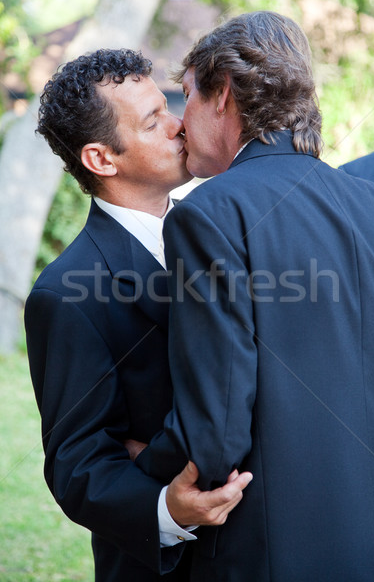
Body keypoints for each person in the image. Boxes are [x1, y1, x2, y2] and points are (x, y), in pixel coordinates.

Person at [132, 12, 374, 581]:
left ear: (222, 93)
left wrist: (142, 463)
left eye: (186, 98)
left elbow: (218, 423)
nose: (181, 124)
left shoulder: (210, 213)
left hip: (271, 548)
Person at [24, 48, 252, 582]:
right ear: (102, 159)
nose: (179, 125)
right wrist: (167, 510)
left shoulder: (225, 231)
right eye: (154, 121)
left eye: (168, 108)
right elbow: (77, 464)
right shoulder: (65, 293)